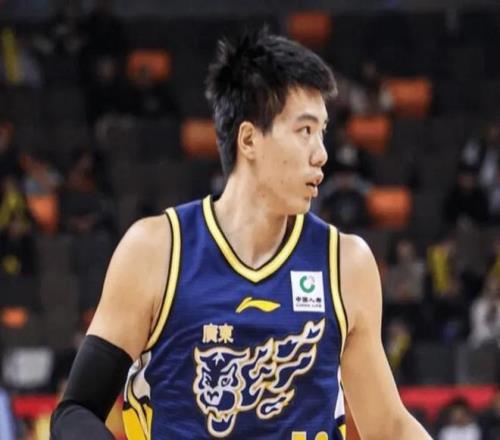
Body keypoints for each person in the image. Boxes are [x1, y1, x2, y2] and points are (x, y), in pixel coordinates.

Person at [50, 29, 431, 439]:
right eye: (305, 131)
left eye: (322, 132)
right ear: (249, 139)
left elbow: (389, 427)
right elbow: (76, 411)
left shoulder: (346, 263)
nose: (321, 153)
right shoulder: (156, 251)